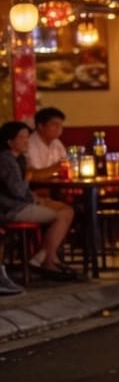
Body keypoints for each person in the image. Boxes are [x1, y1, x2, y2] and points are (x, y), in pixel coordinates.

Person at [0, 120, 78, 281]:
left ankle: (43, 257)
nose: (26, 141)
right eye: (21, 138)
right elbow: (18, 191)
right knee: (60, 216)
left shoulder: (19, 158)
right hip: (11, 209)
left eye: (27, 137)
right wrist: (28, 177)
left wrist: (35, 198)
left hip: (23, 203)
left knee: (67, 211)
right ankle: (46, 259)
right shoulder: (6, 160)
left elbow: (23, 191)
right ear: (10, 141)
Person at [25, 106, 68, 181]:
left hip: (55, 185)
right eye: (54, 124)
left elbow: (66, 166)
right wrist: (58, 166)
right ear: (40, 126)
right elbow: (33, 176)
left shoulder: (57, 143)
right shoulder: (28, 144)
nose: (59, 128)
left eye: (60, 125)